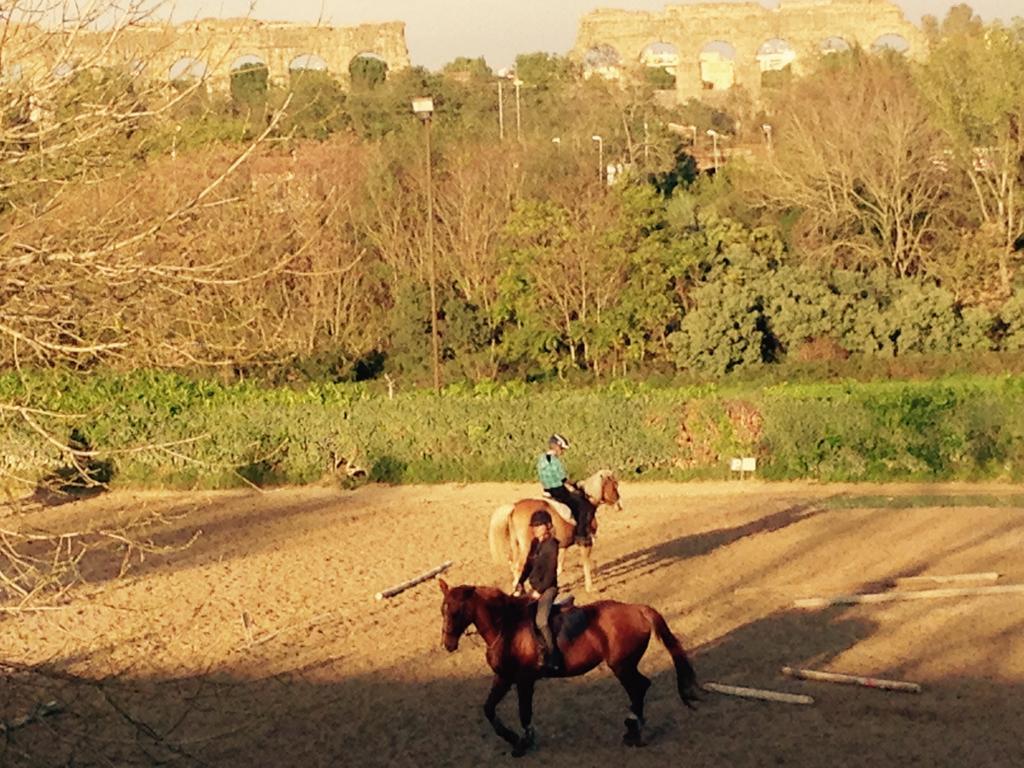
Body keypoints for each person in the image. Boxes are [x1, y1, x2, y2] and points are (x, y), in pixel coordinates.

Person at [515, 510, 564, 672]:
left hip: (548, 588)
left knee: (541, 620)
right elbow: (528, 565)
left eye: (538, 525)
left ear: (548, 526)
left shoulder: (552, 545)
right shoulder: (535, 544)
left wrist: (539, 591)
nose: (535, 529)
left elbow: (550, 573)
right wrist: (520, 582)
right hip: (534, 588)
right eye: (533, 526)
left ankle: (554, 656)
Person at [536, 434, 590, 543]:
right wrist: (575, 486)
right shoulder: (555, 461)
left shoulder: (541, 459)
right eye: (561, 449)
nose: (562, 452)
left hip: (546, 490)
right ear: (556, 446)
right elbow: (563, 480)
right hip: (558, 491)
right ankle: (581, 534)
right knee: (582, 505)